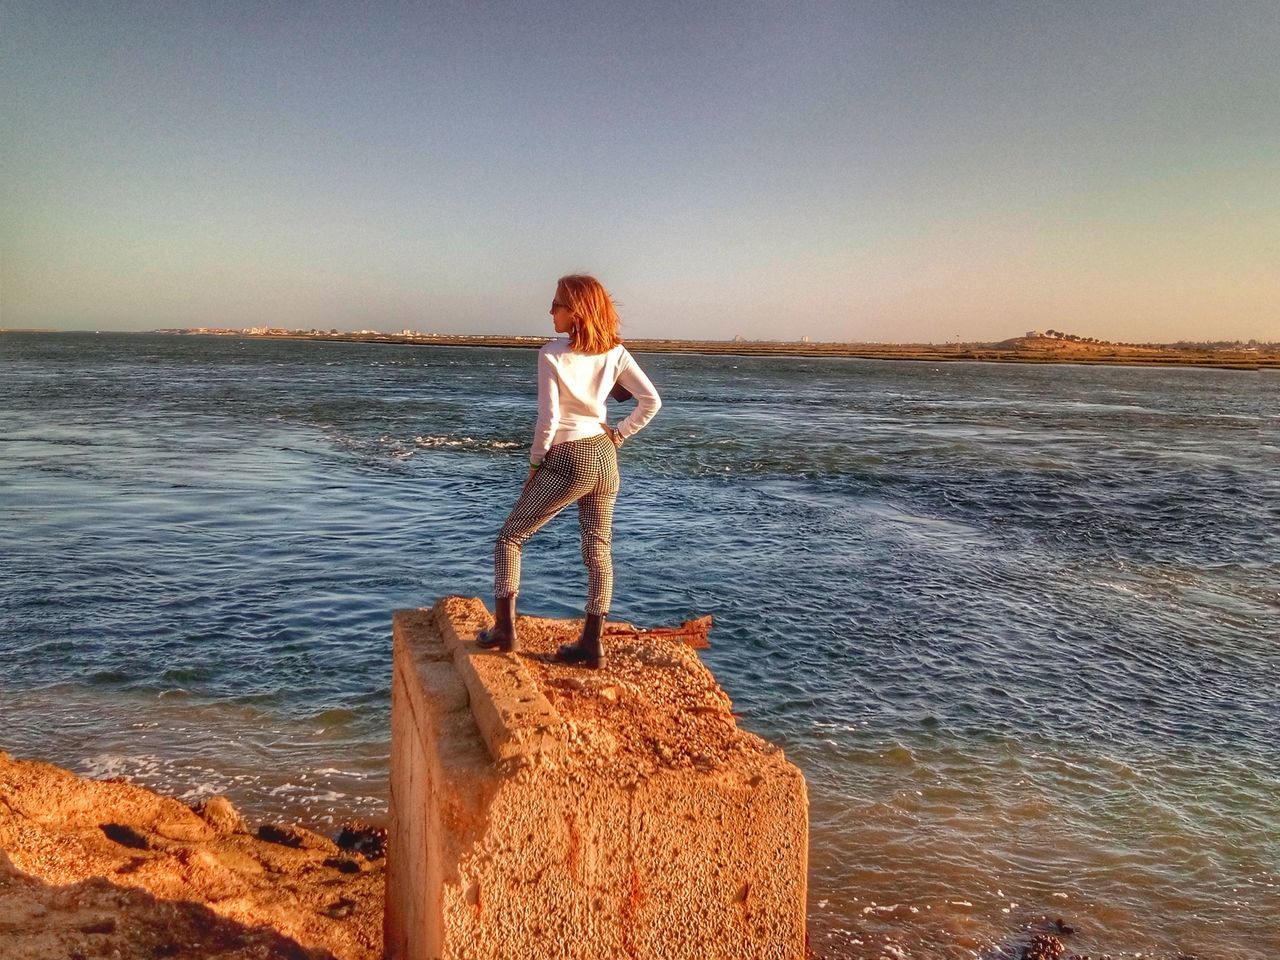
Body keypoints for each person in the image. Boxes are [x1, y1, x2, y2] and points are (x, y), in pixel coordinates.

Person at [477, 275, 662, 669]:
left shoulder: (552, 354)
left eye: (557, 304)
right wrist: (620, 434)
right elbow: (651, 401)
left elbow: (549, 418)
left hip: (570, 455)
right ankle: (592, 645)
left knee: (510, 538)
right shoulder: (616, 353)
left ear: (576, 311)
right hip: (605, 454)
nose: (550, 311)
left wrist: (535, 462)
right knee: (598, 549)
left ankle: (505, 632)